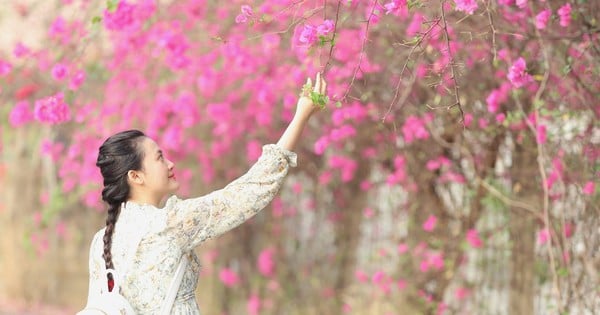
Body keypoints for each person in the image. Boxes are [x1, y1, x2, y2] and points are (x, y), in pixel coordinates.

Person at [86, 73, 327, 313]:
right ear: (135, 176)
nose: (170, 164)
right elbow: (250, 191)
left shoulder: (101, 241)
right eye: (160, 157)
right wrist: (301, 116)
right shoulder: (171, 222)